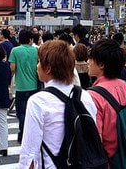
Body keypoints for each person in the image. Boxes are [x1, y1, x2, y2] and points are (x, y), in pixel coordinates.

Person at [19, 40, 98, 168]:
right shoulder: (85, 95)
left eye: (39, 61)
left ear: (48, 68)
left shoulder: (38, 101)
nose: (37, 66)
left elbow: (29, 151)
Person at [8, 29, 39, 144]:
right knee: (32, 113)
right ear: (31, 40)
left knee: (21, 113)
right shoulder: (36, 50)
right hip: (34, 86)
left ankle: (22, 133)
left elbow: (12, 68)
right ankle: (29, 134)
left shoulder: (15, 51)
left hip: (20, 87)